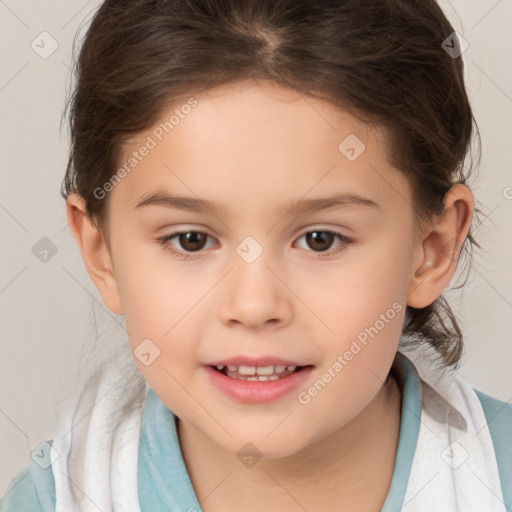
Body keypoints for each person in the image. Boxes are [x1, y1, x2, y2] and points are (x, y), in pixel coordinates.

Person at [2, 0, 511, 511]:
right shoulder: (59, 498)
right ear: (103, 253)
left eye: (320, 239)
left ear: (432, 250)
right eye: (190, 240)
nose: (253, 304)